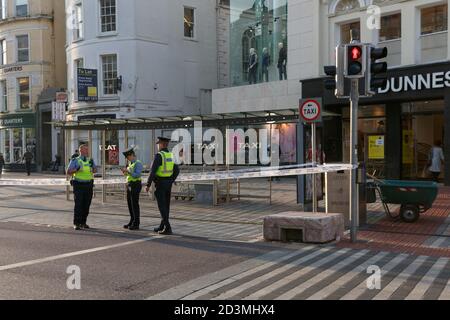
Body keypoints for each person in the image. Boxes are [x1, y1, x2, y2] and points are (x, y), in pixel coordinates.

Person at [145, 137, 180, 235]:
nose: (157, 146)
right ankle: (162, 225)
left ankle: (168, 227)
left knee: (162, 207)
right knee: (166, 206)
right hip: (168, 183)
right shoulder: (171, 155)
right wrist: (171, 180)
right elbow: (177, 170)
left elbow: (152, 172)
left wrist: (148, 184)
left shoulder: (159, 156)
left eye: (158, 144)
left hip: (160, 183)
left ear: (161, 144)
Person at [67, 144, 96, 230]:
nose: (87, 151)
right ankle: (76, 223)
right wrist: (77, 169)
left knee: (87, 204)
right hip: (79, 185)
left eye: (87, 149)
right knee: (78, 204)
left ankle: (83, 222)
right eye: (85, 149)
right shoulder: (75, 160)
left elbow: (95, 170)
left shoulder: (90, 160)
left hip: (88, 184)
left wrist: (93, 168)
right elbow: (68, 171)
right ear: (81, 151)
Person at [121, 148, 143, 230]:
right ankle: (132, 220)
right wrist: (125, 172)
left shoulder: (138, 163)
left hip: (135, 185)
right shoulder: (130, 163)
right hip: (129, 185)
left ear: (131, 155)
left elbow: (137, 175)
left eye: (127, 156)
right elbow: (129, 175)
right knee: (130, 204)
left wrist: (128, 172)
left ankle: (136, 223)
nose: (127, 158)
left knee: (134, 204)